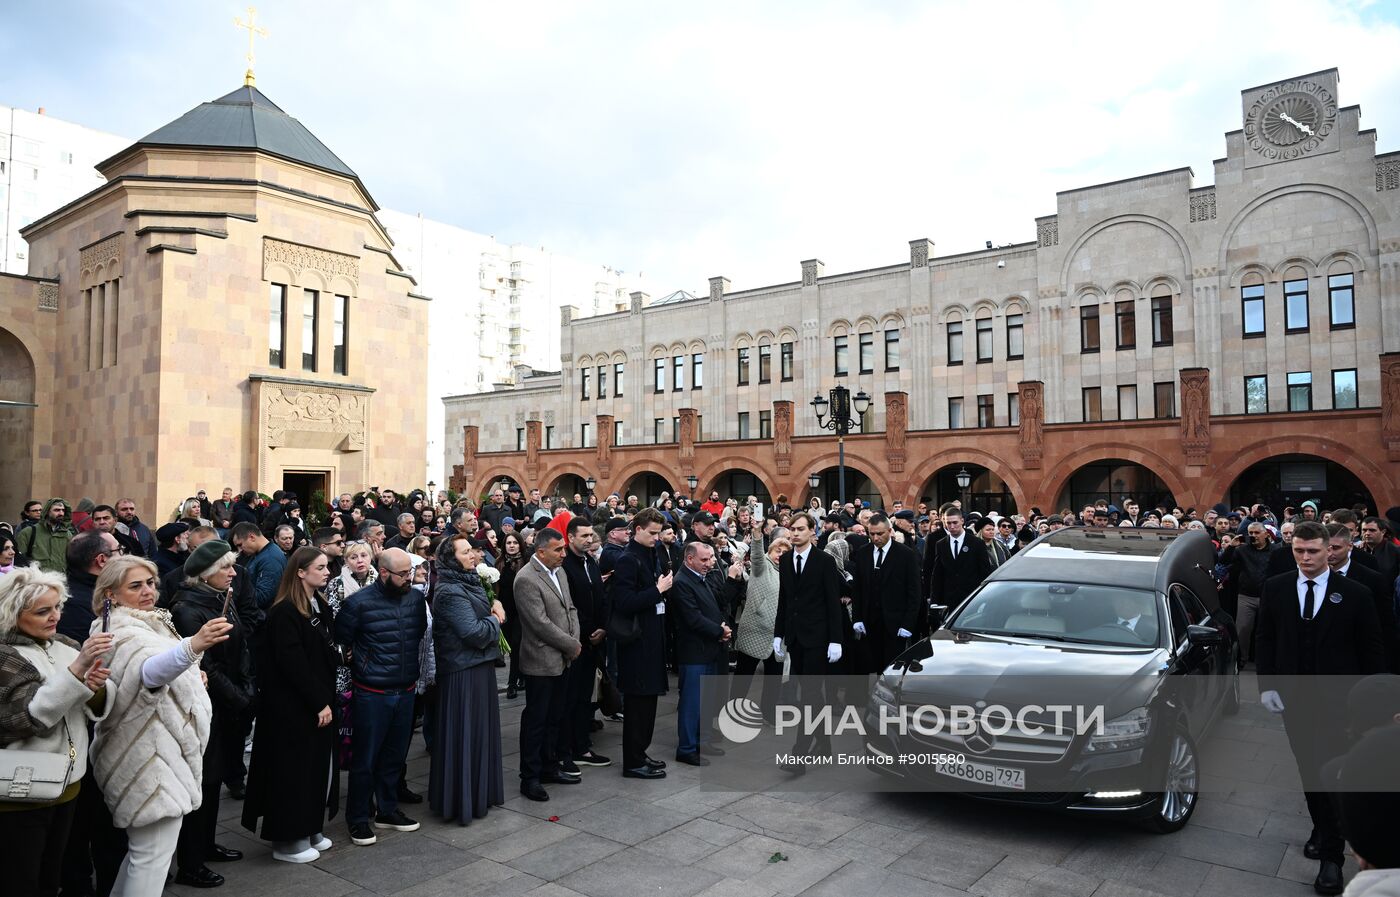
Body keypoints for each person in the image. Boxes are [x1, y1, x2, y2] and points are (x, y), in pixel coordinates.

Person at [88, 555, 230, 897]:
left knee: (145, 855)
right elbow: (148, 673)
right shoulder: (120, 631)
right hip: (148, 759)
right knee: (151, 857)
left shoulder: (137, 623)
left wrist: (193, 676)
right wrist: (194, 645)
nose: (148, 591)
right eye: (135, 586)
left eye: (150, 583)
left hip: (155, 753)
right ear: (111, 594)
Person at [1256, 521, 1386, 896]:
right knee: (1310, 770)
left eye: (1313, 551)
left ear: (1329, 550)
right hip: (1296, 702)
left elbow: (1372, 651)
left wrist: (1374, 703)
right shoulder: (1277, 588)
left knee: (1335, 772)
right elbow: (1265, 639)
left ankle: (1333, 857)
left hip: (1342, 706)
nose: (1306, 558)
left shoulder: (1357, 593)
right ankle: (1322, 827)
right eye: (1299, 551)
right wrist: (1267, 687)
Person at [0, 568, 113, 897]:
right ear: (11, 612)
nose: (55, 617)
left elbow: (91, 707)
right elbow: (27, 716)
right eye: (43, 611)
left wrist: (97, 687)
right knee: (19, 881)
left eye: (57, 606)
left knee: (52, 877)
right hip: (19, 791)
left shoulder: (65, 645)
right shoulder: (6, 656)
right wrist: (77, 673)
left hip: (68, 785)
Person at [242, 547, 339, 863]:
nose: (327, 572)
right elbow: (292, 663)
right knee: (292, 772)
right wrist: (318, 702)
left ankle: (310, 828)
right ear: (300, 571)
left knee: (314, 769)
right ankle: (288, 841)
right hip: (292, 706)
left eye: (327, 567)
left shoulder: (318, 604)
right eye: (321, 567)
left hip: (316, 699)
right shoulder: (284, 611)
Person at [169, 540, 252, 887]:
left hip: (229, 703)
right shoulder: (188, 608)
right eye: (226, 568)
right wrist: (239, 697)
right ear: (204, 575)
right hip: (209, 705)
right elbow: (205, 665)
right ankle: (190, 861)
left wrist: (247, 687)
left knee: (215, 779)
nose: (233, 573)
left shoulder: (220, 598)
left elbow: (240, 646)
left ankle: (205, 844)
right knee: (201, 781)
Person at [334, 547, 427, 846]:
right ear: (383, 572)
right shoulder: (357, 604)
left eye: (410, 572)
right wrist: (363, 663)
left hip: (406, 690)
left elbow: (419, 634)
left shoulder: (415, 598)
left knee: (394, 757)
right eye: (403, 574)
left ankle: (387, 810)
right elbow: (341, 642)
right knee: (365, 760)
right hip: (372, 693)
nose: (409, 578)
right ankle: (358, 818)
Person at [429, 533, 506, 823]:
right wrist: (496, 618)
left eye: (472, 551)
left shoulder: (469, 581)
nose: (472, 556)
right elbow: (473, 633)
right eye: (464, 553)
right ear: (450, 559)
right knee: (465, 735)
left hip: (479, 667)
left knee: (480, 734)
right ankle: (461, 800)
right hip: (463, 671)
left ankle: (479, 794)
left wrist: (492, 604)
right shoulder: (449, 591)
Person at [513, 528, 582, 801]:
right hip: (541, 661)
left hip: (564, 658)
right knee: (536, 721)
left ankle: (549, 766)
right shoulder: (526, 579)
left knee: (556, 717)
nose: (563, 554)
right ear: (541, 552)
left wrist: (574, 639)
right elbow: (539, 623)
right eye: (558, 550)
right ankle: (529, 777)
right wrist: (570, 644)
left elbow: (570, 609)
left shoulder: (560, 571)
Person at [773, 512, 843, 770]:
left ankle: (799, 754)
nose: (794, 533)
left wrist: (836, 640)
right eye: (792, 529)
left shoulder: (824, 561)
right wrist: (778, 634)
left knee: (809, 695)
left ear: (813, 531)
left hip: (818, 639)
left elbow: (832, 602)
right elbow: (785, 600)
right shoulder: (787, 559)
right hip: (795, 638)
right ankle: (824, 746)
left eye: (800, 529)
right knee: (813, 696)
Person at [608, 509, 674, 778]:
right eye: (652, 533)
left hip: (651, 638)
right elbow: (624, 602)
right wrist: (657, 591)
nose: (656, 538)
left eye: (658, 533)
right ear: (636, 530)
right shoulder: (628, 559)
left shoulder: (649, 553)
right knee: (637, 705)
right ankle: (633, 761)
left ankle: (640, 752)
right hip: (636, 644)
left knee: (648, 703)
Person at [672, 541, 732, 766]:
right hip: (694, 652)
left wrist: (721, 628)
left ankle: (702, 740)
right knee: (691, 702)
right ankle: (686, 748)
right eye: (704, 560)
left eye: (710, 559)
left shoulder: (700, 577)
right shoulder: (682, 582)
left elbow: (712, 608)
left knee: (705, 700)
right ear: (689, 559)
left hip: (710, 649)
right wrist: (719, 630)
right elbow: (692, 618)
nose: (709, 564)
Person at [558, 517, 610, 768]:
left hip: (594, 641)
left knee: (584, 699)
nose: (590, 540)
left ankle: (582, 746)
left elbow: (598, 596)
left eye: (591, 535)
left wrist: (603, 627)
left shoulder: (590, 561)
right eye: (584, 536)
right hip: (575, 641)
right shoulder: (565, 564)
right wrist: (590, 630)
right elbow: (570, 605)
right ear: (570, 538)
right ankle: (566, 750)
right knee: (570, 699)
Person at [851, 513, 923, 672]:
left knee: (892, 670)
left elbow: (914, 592)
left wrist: (907, 624)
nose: (875, 538)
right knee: (871, 667)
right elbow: (858, 589)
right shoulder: (863, 552)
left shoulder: (906, 554)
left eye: (880, 533)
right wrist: (857, 618)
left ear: (890, 531)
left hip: (895, 625)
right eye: (872, 534)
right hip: (869, 624)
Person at [731, 519, 787, 721]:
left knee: (774, 678)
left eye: (784, 552)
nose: (781, 555)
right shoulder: (761, 567)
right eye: (777, 551)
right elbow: (756, 554)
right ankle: (735, 713)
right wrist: (756, 535)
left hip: (778, 635)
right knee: (743, 677)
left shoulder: (790, 573)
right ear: (770, 552)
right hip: (755, 630)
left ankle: (769, 714)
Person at [925, 504, 993, 615]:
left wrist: (985, 599)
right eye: (948, 523)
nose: (951, 526)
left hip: (971, 599)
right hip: (949, 601)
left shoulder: (976, 543)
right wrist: (934, 601)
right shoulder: (941, 544)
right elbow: (937, 574)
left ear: (962, 521)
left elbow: (985, 573)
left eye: (955, 522)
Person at [497, 532, 529, 699]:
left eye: (515, 543)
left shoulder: (525, 562)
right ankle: (522, 676)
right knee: (512, 647)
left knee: (517, 645)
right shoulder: (499, 563)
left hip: (521, 611)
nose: (511, 545)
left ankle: (512, 683)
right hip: (505, 611)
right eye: (508, 543)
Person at [230, 522, 286, 612]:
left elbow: (262, 598)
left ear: (252, 537)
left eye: (240, 545)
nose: (240, 550)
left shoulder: (270, 558)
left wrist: (237, 592)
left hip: (266, 617)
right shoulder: (261, 553)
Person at [17, 498, 74, 574]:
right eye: (57, 510)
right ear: (47, 512)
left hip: (60, 580)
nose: (61, 513)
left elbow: (72, 560)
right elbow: (20, 560)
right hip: (37, 580)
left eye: (63, 510)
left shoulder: (67, 534)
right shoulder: (28, 532)